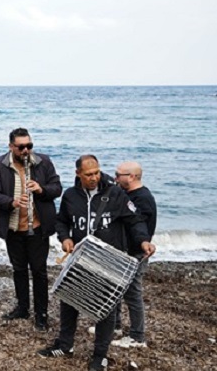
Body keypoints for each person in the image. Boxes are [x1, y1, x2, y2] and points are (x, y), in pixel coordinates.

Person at [37, 155, 155, 371]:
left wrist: (144, 241)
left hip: (110, 260)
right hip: (80, 259)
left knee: (105, 309)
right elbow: (61, 221)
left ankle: (100, 355)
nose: (94, 178)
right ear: (78, 174)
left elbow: (135, 220)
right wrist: (65, 238)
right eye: (89, 174)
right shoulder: (71, 196)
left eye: (97, 172)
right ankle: (65, 345)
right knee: (69, 300)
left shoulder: (115, 193)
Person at [0, 128, 62, 331]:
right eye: (21, 147)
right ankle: (22, 307)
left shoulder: (43, 162)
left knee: (39, 271)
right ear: (11, 146)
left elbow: (57, 188)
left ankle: (42, 314)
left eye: (29, 146)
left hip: (37, 227)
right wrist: (11, 202)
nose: (26, 150)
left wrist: (41, 189)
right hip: (13, 228)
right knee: (19, 269)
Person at [110, 161, 157, 349]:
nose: (115, 178)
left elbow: (139, 225)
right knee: (117, 288)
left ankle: (137, 336)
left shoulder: (143, 198)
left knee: (132, 293)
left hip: (137, 253)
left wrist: (142, 243)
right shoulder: (126, 193)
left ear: (131, 177)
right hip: (123, 250)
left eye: (118, 175)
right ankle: (116, 326)